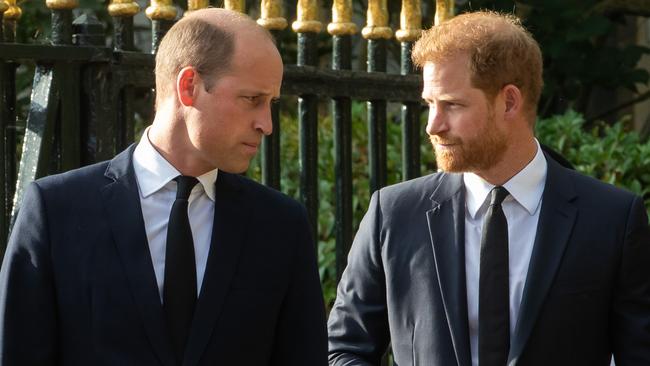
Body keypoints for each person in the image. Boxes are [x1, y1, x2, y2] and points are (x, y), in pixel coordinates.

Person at [0, 8, 327, 366]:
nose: (267, 124)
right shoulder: (56, 210)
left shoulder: (281, 226)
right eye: (252, 100)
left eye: (272, 104)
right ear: (189, 87)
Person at [328, 11, 650, 366]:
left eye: (452, 104)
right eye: (430, 104)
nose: (432, 126)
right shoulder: (394, 213)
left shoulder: (611, 219)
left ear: (509, 101)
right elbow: (343, 350)